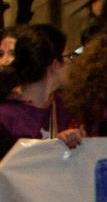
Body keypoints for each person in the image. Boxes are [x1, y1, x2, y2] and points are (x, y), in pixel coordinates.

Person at [0, 25, 69, 156]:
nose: (4, 62)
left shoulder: (64, 109)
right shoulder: (6, 117)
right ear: (54, 63)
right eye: (68, 55)